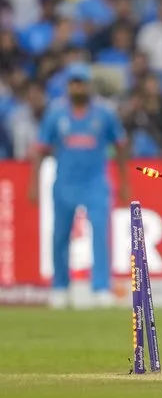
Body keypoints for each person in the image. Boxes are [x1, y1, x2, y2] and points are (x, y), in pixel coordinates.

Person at [29, 62, 130, 309]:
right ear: (68, 86)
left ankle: (101, 288)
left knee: (100, 235)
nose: (78, 87)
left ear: (89, 86)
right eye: (74, 82)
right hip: (64, 183)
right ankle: (60, 287)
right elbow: (41, 149)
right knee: (60, 237)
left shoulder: (104, 114)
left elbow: (120, 146)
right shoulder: (56, 114)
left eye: (82, 82)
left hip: (96, 183)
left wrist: (125, 182)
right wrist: (33, 182)